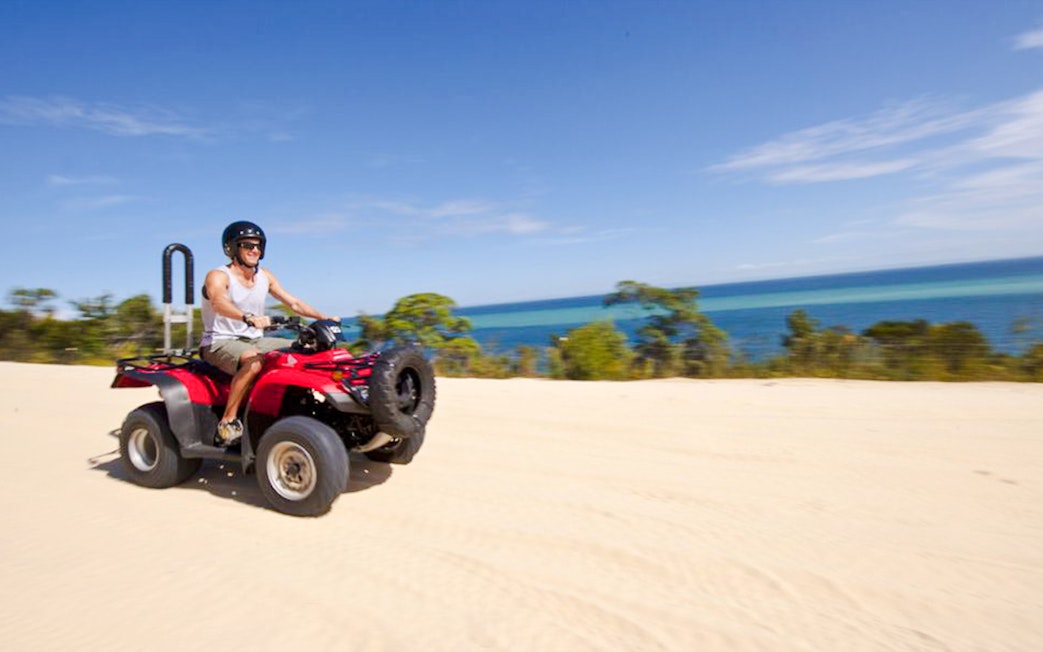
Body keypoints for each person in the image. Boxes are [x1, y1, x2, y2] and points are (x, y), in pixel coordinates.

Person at [199, 220, 337, 446]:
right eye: (247, 245)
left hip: (254, 340)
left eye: (258, 245)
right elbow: (218, 302)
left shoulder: (264, 276)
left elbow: (293, 302)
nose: (255, 250)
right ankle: (228, 422)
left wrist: (323, 318)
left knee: (304, 349)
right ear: (232, 248)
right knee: (253, 362)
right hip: (219, 342)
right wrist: (247, 317)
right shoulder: (219, 275)